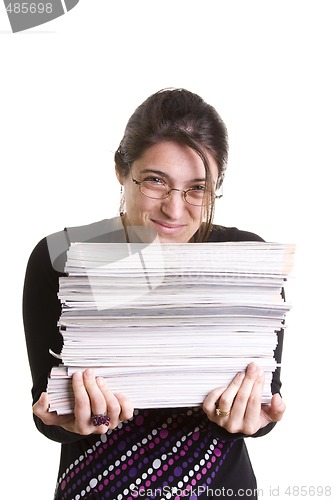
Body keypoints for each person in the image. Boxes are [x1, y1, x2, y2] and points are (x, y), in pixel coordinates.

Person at [23, 88, 286, 500]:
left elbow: (267, 400)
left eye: (198, 189)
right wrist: (65, 421)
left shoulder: (243, 259)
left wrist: (254, 418)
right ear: (121, 171)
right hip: (97, 488)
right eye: (156, 182)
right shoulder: (61, 257)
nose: (175, 210)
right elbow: (46, 411)